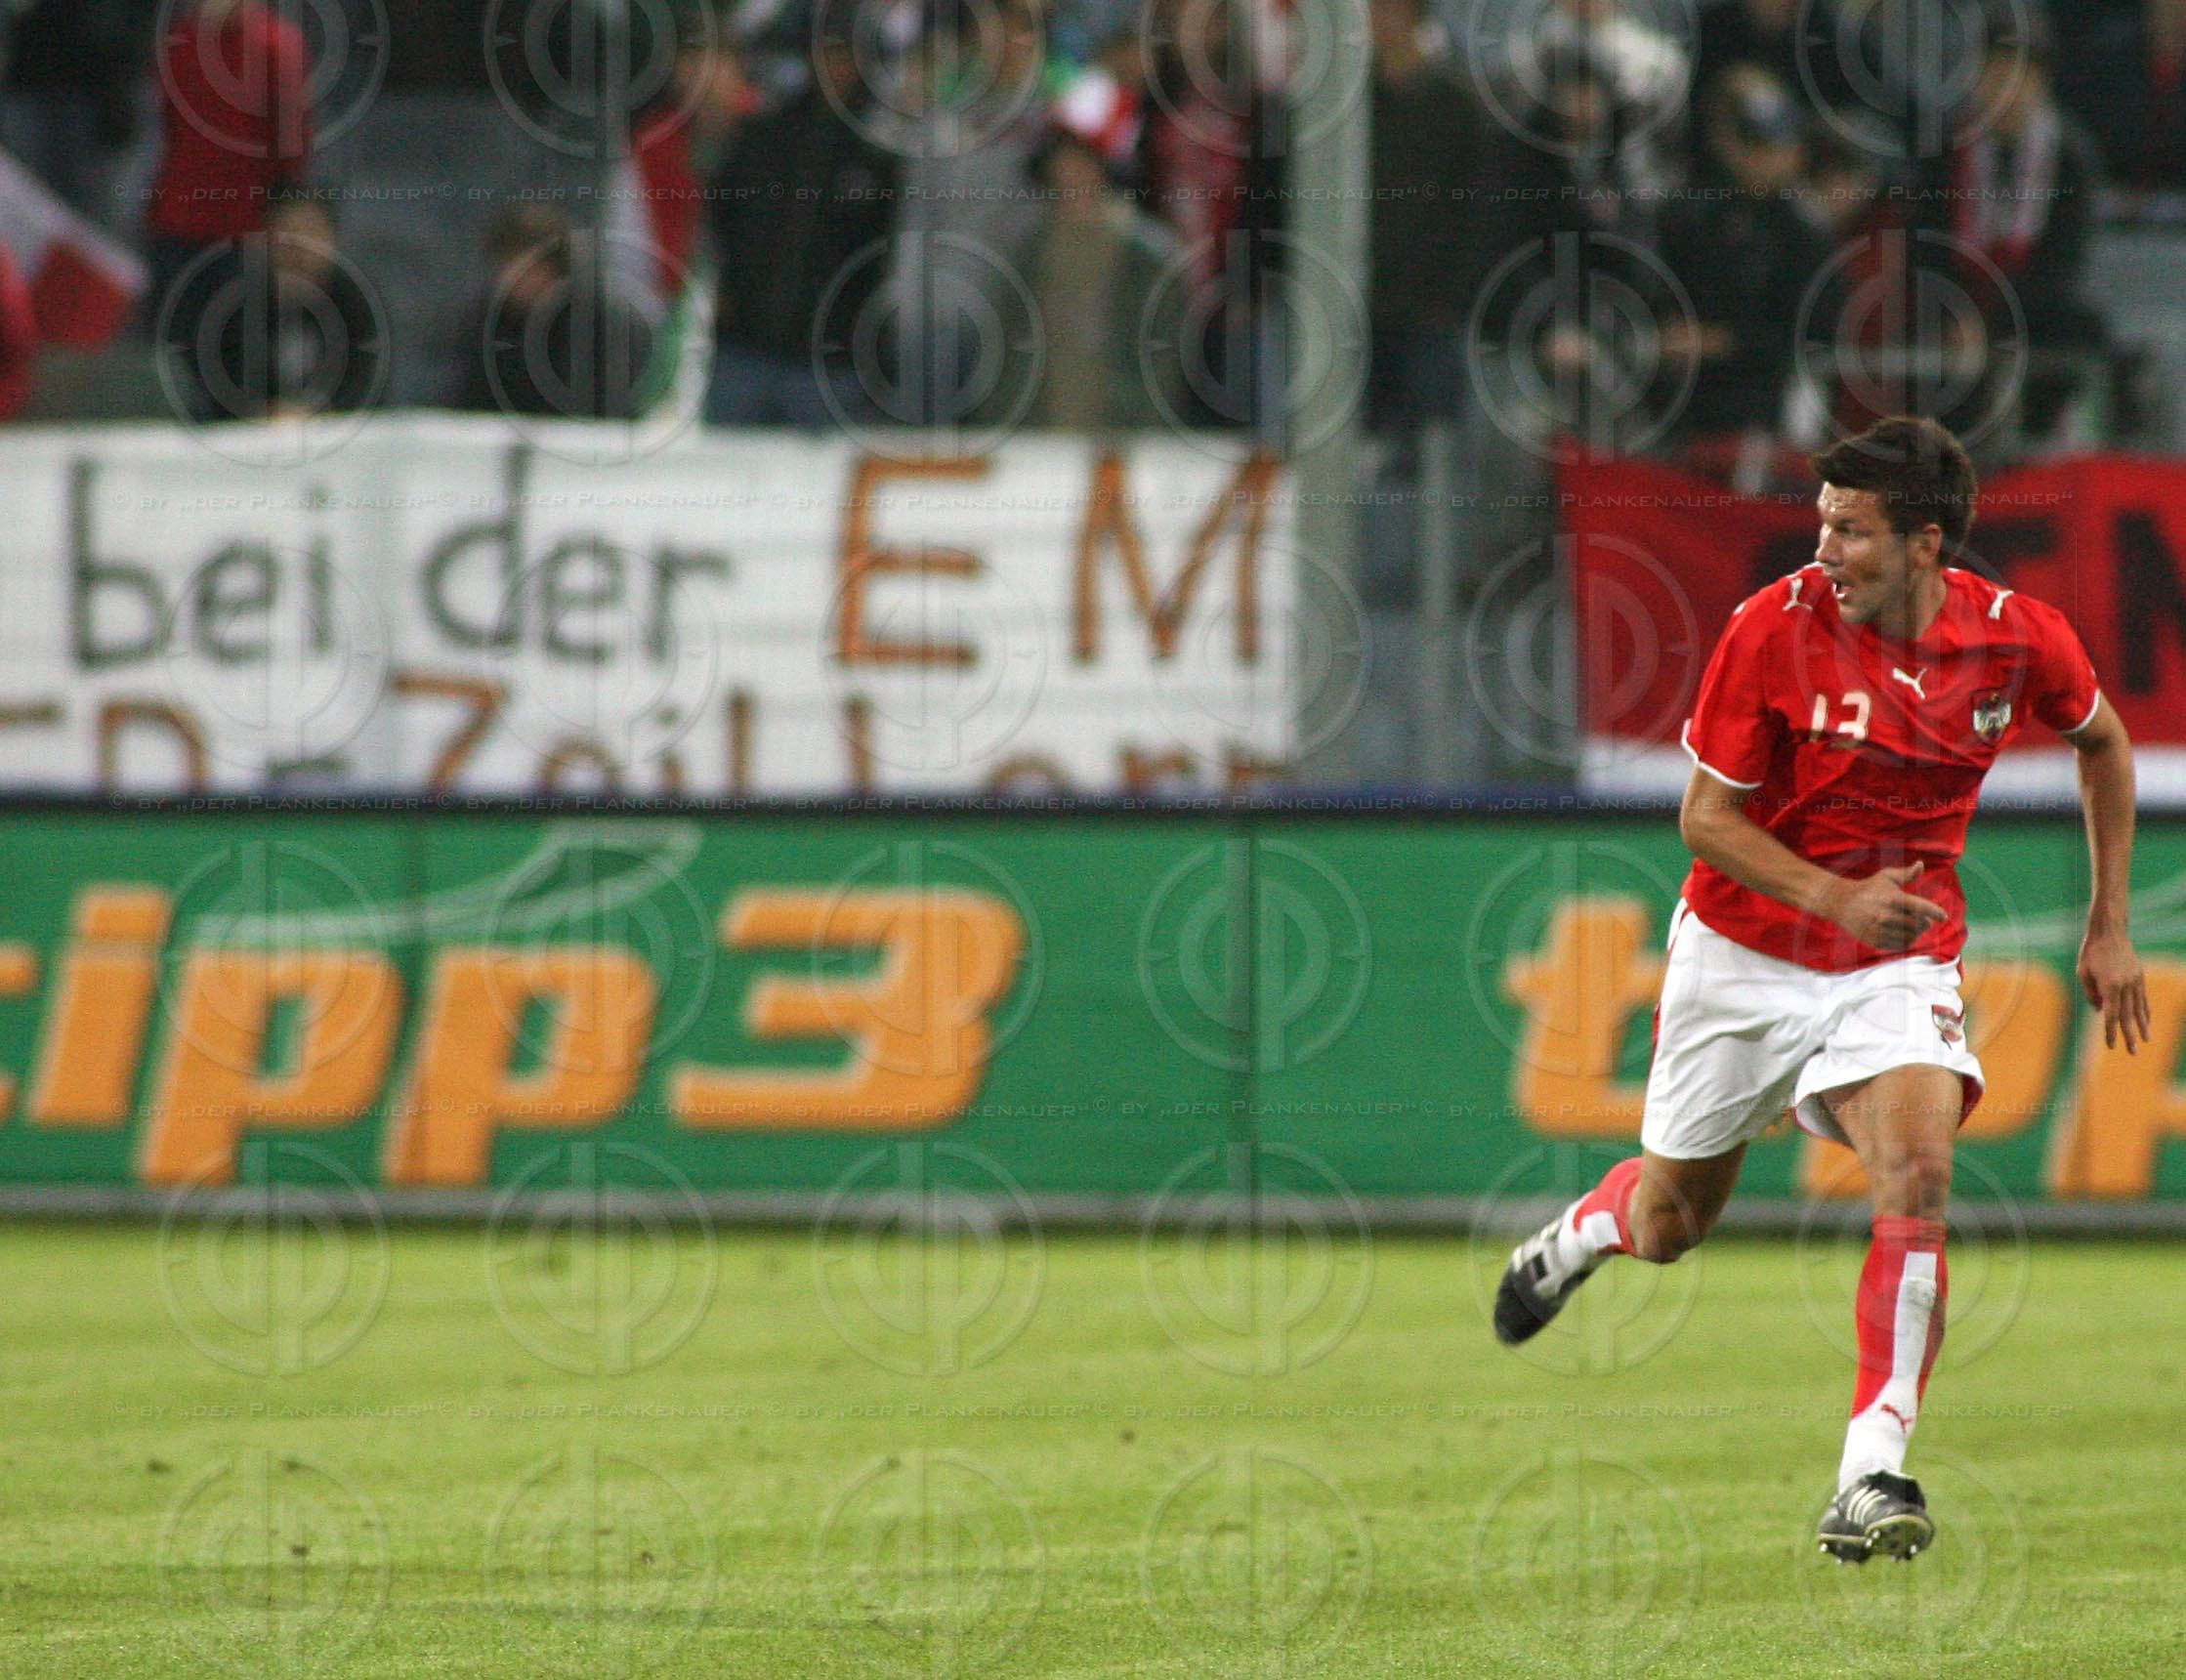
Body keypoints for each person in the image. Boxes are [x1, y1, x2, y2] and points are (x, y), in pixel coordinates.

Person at [1492, 415, 2151, 1564]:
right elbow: (1706, 819)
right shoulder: (1771, 627)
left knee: (1920, 1167)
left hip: (1896, 959)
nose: (1825, 547)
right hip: (1743, 955)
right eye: (1822, 522)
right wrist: (1834, 898)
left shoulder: (2016, 639)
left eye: (1850, 528)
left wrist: (2109, 926)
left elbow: (2103, 741)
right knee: (1671, 1222)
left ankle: (1872, 1469)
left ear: (1925, 542)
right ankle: (1586, 1230)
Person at [462, 204, 654, 421]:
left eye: (529, 268)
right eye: (508, 265)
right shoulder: (487, 323)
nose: (515, 278)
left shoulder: (597, 325)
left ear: (555, 269)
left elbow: (604, 404)